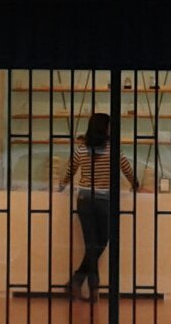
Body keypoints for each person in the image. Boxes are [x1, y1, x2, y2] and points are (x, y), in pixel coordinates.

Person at [58, 113, 139, 302]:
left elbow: (70, 171)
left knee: (92, 244)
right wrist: (135, 184)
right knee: (101, 242)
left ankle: (79, 281)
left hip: (85, 200)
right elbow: (127, 170)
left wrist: (61, 185)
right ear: (105, 128)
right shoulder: (114, 150)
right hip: (104, 201)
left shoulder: (81, 149)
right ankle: (90, 286)